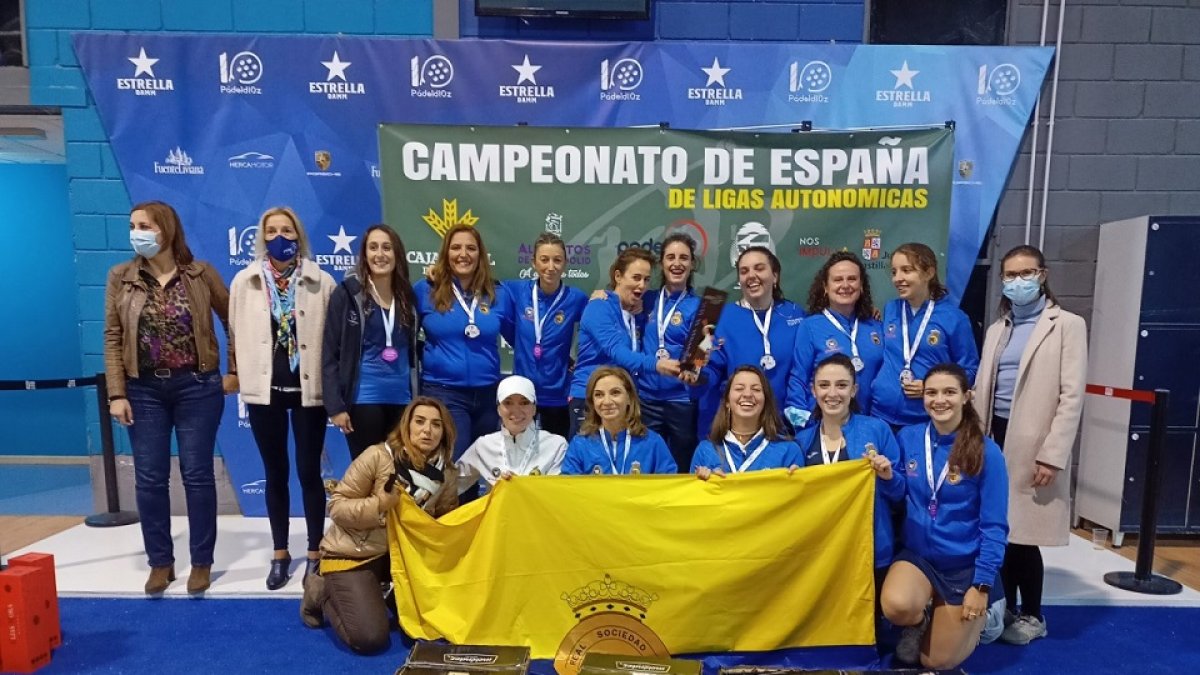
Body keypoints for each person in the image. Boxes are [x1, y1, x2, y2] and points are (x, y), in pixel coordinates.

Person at [104, 201, 235, 596]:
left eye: (143, 225)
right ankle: (160, 562)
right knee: (149, 479)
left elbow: (233, 319)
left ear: (166, 228)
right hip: (143, 390)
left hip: (197, 386)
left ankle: (201, 562)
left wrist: (236, 371)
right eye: (132, 225)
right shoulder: (121, 277)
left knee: (197, 475)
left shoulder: (201, 274)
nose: (135, 232)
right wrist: (116, 392)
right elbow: (113, 336)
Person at [972, 245, 1087, 646]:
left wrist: (1052, 455)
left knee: (1023, 534)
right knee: (997, 529)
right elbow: (983, 387)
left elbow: (1071, 397)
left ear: (1042, 274)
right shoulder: (997, 329)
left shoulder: (1067, 325)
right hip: (994, 435)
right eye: (1010, 274)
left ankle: (1033, 614)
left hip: (1033, 441)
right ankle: (1004, 610)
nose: (1018, 281)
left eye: (1026, 273)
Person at [300, 397, 458, 654]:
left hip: (402, 560)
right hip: (354, 554)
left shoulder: (447, 474)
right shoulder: (378, 456)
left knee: (436, 624)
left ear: (444, 432)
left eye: (436, 425)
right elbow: (337, 506)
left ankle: (377, 593)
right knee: (371, 638)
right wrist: (378, 505)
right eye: (419, 422)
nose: (427, 430)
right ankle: (320, 590)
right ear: (406, 426)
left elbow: (445, 521)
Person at [229, 206, 336, 590]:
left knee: (309, 473)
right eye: (272, 231)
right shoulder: (245, 282)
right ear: (262, 237)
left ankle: (314, 553)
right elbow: (234, 334)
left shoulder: (320, 281)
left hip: (309, 392)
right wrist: (236, 374)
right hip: (265, 393)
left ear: (299, 235)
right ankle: (279, 553)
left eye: (287, 231)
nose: (280, 237)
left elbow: (333, 341)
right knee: (275, 473)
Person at [881, 363, 1008, 669]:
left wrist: (981, 587)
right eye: (932, 393)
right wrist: (888, 477)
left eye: (949, 392)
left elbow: (994, 526)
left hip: (963, 564)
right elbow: (900, 494)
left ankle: (989, 616)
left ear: (967, 396)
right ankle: (920, 619)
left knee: (936, 660)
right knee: (896, 606)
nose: (940, 400)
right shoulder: (910, 438)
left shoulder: (986, 452)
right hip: (919, 557)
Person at [794, 355, 902, 594]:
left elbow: (900, 494)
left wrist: (888, 477)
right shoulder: (801, 442)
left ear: (854, 390)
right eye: (824, 385)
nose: (832, 393)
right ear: (813, 391)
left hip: (868, 548)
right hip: (821, 552)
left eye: (841, 385)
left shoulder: (876, 430)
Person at [413, 224, 515, 458]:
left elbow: (522, 337)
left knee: (483, 468)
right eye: (456, 247)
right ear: (446, 253)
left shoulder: (497, 294)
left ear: (481, 254)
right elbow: (403, 337)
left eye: (471, 248)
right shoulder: (425, 290)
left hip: (489, 394)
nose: (463, 254)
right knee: (455, 467)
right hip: (445, 392)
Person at [323, 225, 418, 460]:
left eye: (387, 248)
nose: (380, 254)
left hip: (403, 402)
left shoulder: (408, 296)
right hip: (363, 401)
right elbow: (330, 352)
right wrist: (335, 406)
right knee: (369, 476)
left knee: (400, 477)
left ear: (397, 254)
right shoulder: (347, 294)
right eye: (373, 248)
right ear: (364, 255)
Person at [692, 246, 806, 431]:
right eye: (744, 271)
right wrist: (696, 374)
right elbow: (704, 367)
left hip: (785, 426)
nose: (751, 275)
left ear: (775, 276)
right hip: (736, 426)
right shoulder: (717, 316)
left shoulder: (795, 313)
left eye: (759, 268)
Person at [569, 248, 679, 438]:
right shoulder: (598, 307)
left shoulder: (636, 312)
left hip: (623, 400)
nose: (642, 285)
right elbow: (618, 352)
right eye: (636, 277)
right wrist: (658, 365)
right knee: (588, 463)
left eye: (646, 279)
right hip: (589, 398)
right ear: (618, 276)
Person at [871, 243, 979, 431]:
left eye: (907, 270)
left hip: (924, 420)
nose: (898, 279)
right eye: (894, 272)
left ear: (929, 273)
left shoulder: (954, 318)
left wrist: (934, 387)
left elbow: (968, 369)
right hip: (880, 415)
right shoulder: (891, 309)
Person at [504, 232, 588, 438]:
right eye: (544, 260)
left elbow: (596, 324)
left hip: (557, 395)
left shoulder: (576, 298)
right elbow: (481, 283)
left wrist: (603, 295)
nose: (551, 267)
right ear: (534, 262)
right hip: (522, 395)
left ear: (565, 264)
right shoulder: (515, 290)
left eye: (557, 260)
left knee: (555, 456)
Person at [786, 252, 884, 424]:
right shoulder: (810, 326)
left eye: (852, 279)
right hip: (823, 425)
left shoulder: (875, 326)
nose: (845, 285)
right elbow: (798, 379)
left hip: (869, 424)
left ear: (861, 286)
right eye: (838, 280)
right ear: (825, 286)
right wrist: (806, 427)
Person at [639, 233, 703, 471]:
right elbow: (616, 299)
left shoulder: (702, 305)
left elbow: (702, 349)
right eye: (671, 257)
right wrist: (602, 294)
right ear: (662, 263)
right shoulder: (646, 299)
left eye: (684, 258)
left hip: (681, 400)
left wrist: (695, 367)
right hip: (645, 399)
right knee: (645, 466)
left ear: (692, 264)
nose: (677, 263)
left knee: (682, 467)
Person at [457, 375, 569, 489]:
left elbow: (557, 494)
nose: (516, 411)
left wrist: (521, 487)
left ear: (534, 408)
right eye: (508, 403)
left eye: (524, 403)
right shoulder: (484, 445)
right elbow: (452, 485)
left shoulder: (556, 445)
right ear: (498, 409)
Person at [690, 365, 802, 477]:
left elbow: (799, 494)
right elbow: (692, 494)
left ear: (765, 401)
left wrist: (795, 482)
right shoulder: (705, 451)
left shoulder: (789, 451)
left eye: (756, 389)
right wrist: (701, 483)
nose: (747, 394)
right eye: (739, 389)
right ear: (727, 401)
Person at [561, 366, 677, 475]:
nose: (607, 401)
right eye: (599, 395)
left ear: (629, 398)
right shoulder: (580, 445)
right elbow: (568, 490)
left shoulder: (653, 443)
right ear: (592, 402)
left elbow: (669, 488)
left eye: (615, 393)